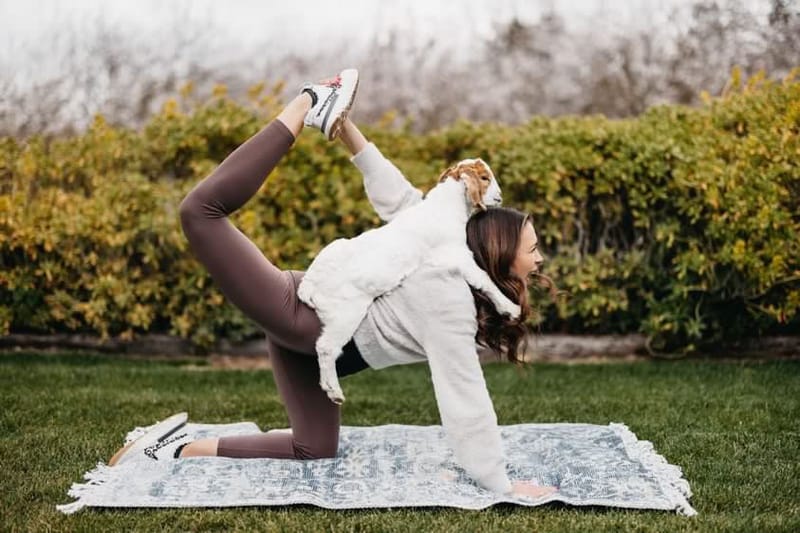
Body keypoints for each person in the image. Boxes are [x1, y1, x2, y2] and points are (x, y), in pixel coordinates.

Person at [108, 68, 558, 500]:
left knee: (314, 450)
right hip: (298, 316)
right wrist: (501, 483)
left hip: (312, 349)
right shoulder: (447, 295)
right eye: (532, 249)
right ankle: (305, 101)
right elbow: (466, 398)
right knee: (200, 213)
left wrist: (345, 129)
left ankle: (175, 446)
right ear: (500, 254)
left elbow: (397, 196)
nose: (539, 259)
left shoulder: (442, 255)